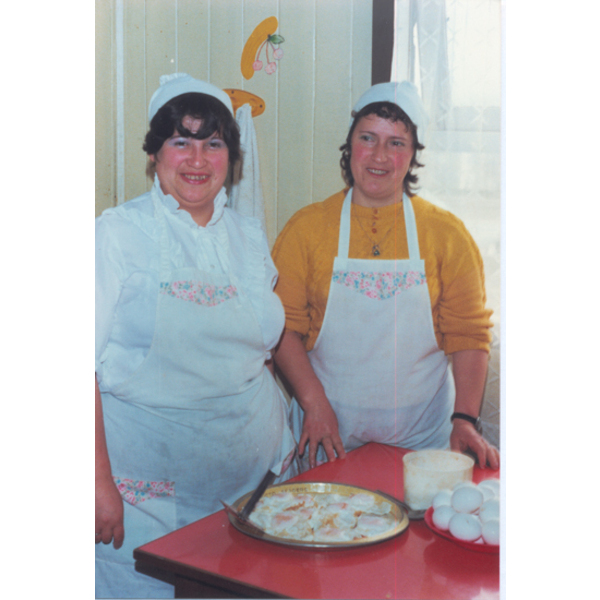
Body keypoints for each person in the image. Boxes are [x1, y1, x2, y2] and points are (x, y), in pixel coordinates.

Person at [95, 73, 296, 598]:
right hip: (147, 504)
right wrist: (95, 484)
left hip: (256, 493)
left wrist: (310, 404)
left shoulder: (248, 236)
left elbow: (265, 348)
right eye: (180, 141)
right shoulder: (116, 234)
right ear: (155, 154)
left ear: (231, 156)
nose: (197, 159)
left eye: (213, 143)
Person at [271, 81, 500, 473]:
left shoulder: (447, 234)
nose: (379, 155)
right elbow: (281, 329)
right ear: (349, 146)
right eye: (368, 138)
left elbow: (468, 334)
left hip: (423, 440)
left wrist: (464, 420)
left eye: (396, 143)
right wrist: (314, 404)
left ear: (413, 156)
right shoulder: (306, 229)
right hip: (327, 435)